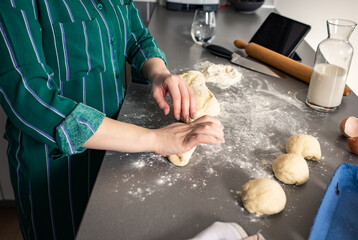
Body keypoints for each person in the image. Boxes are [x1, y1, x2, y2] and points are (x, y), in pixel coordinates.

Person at [0, 1, 224, 239]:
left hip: (119, 148)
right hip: (55, 171)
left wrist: (158, 72)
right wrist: (156, 139)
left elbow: (135, 35)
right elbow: (31, 100)